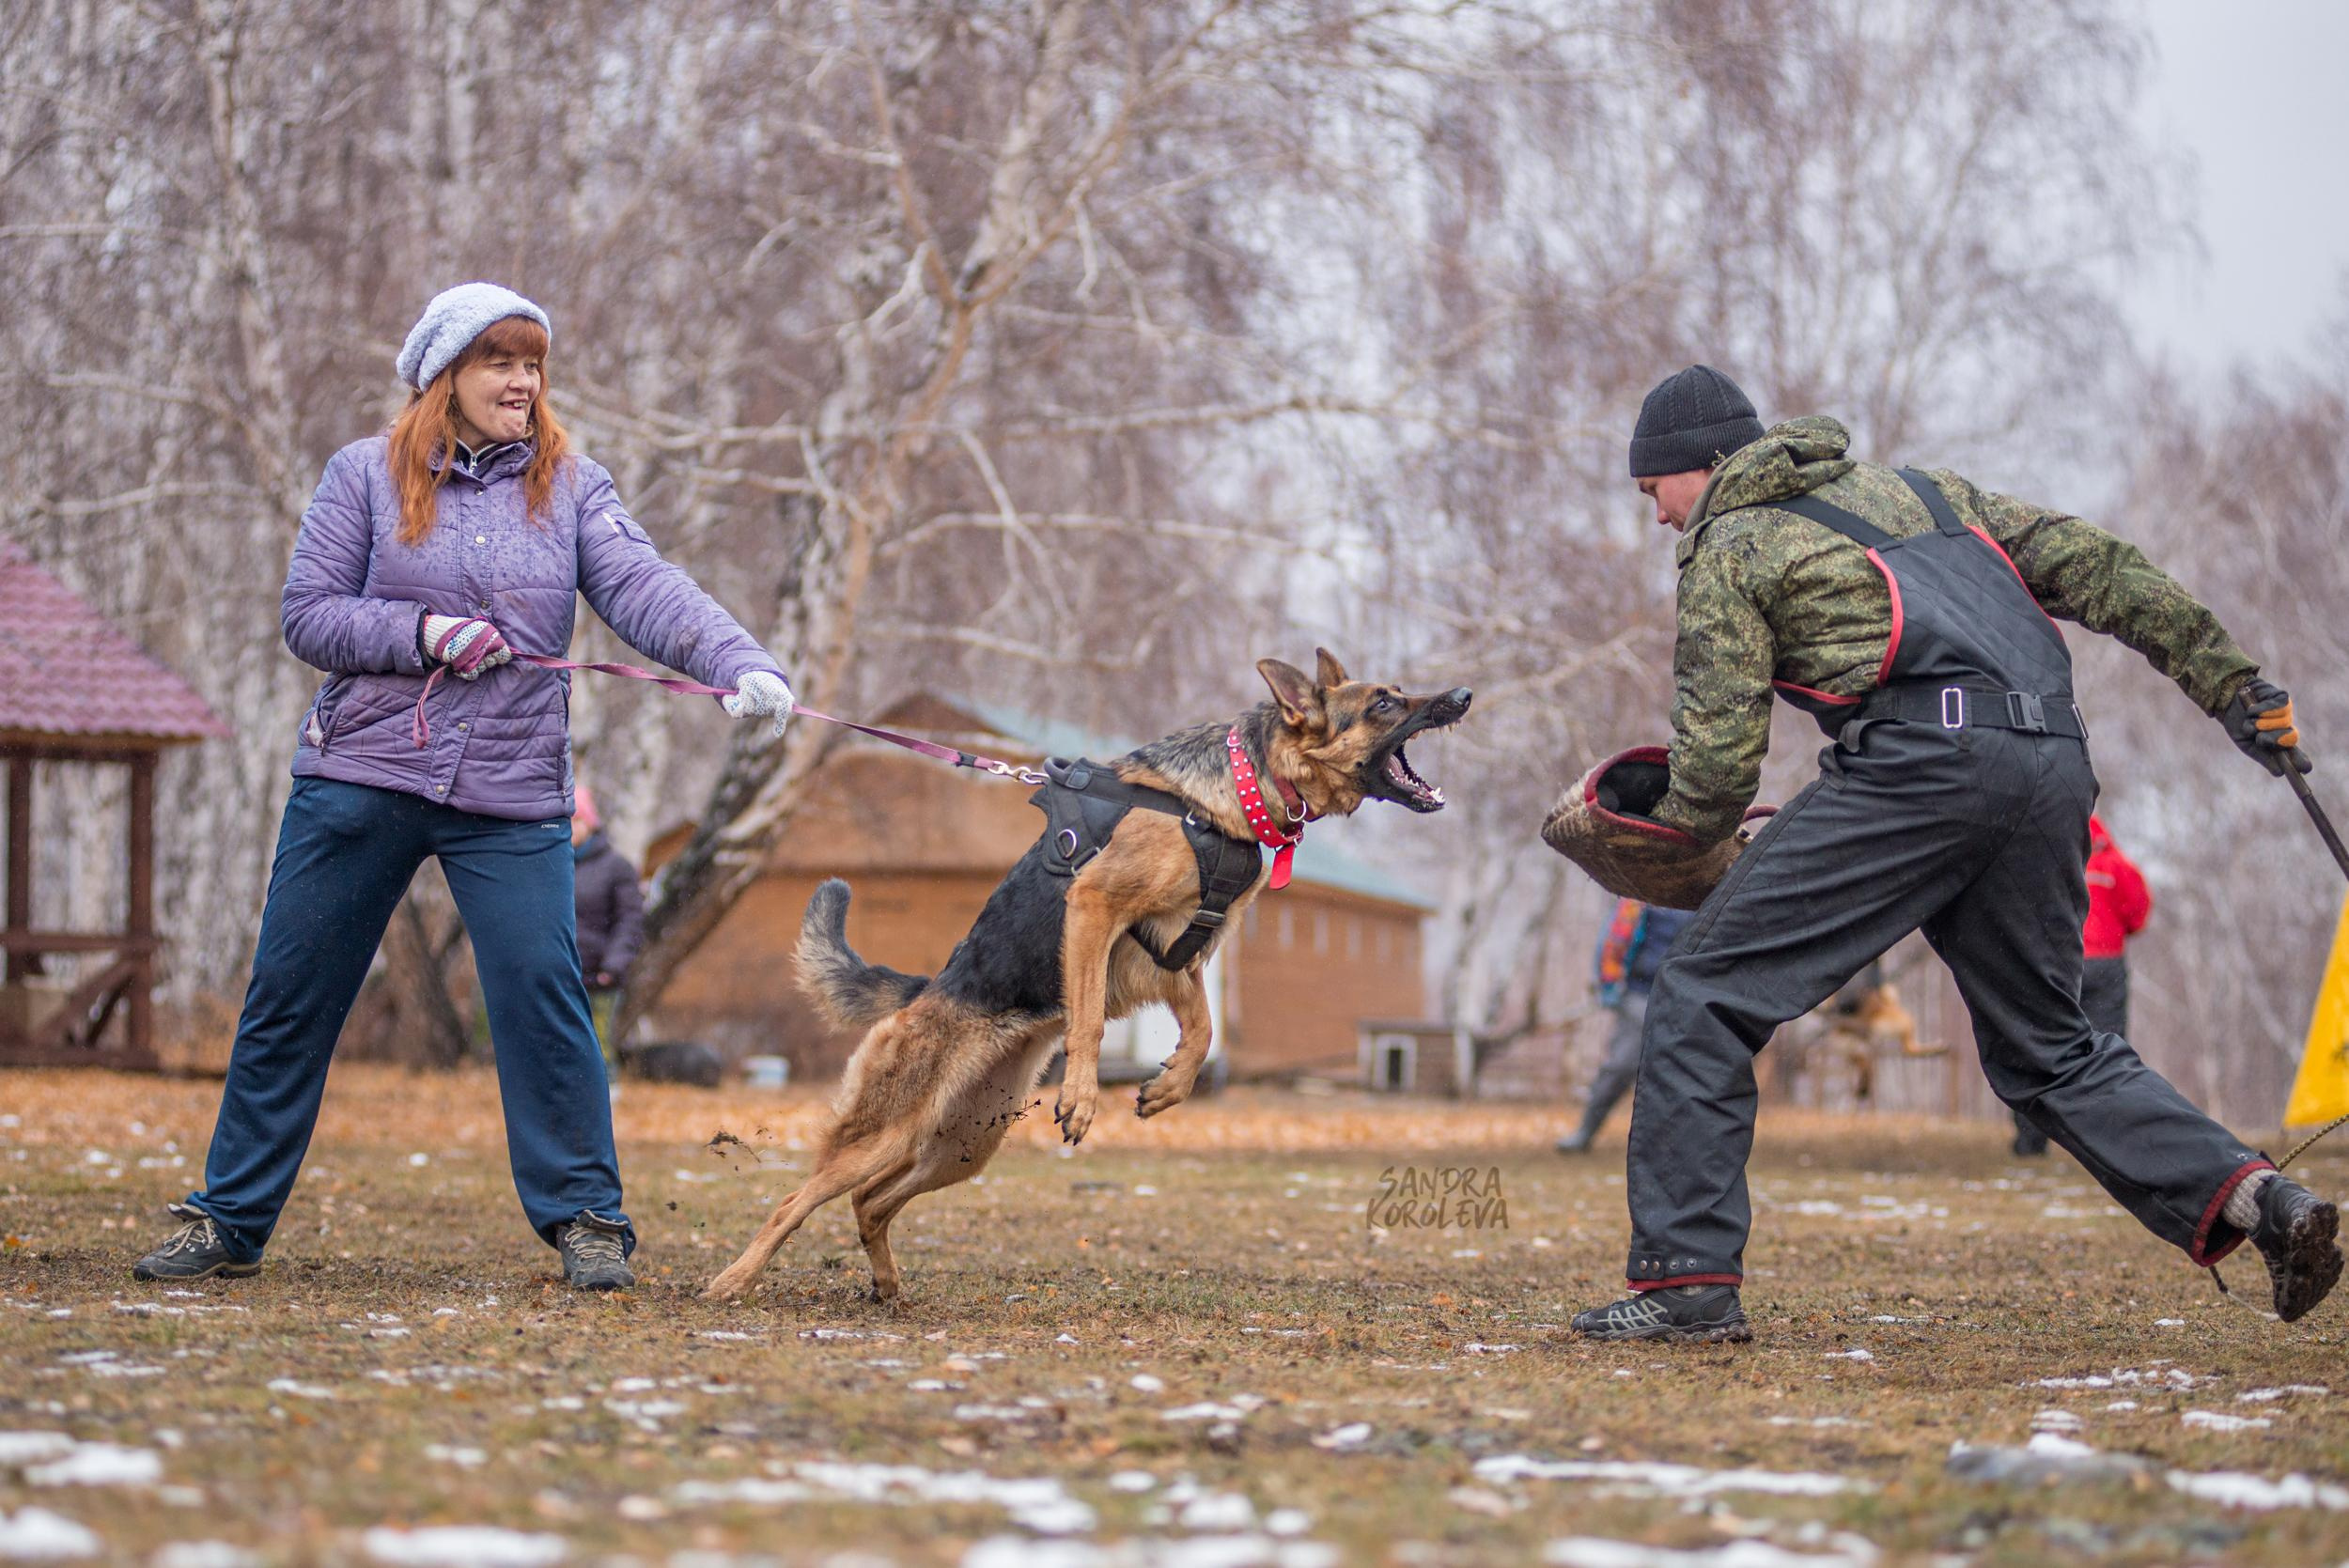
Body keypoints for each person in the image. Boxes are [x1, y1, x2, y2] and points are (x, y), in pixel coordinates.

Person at [1568, 365, 2337, 1343]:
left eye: (1654, 491)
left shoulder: (1730, 541)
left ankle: (1687, 1287)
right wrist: (2232, 686)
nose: (1659, 517)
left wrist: (1663, 833)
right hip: (2052, 763)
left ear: (1705, 464)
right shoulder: (1927, 494)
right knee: (2051, 1049)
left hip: (1921, 764)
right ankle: (2262, 1201)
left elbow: (1718, 769)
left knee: (1700, 991)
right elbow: (2102, 567)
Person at [132, 283, 796, 1291]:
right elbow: (309, 614)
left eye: (532, 364)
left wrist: (736, 661)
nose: (522, 381)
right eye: (499, 361)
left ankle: (586, 1220)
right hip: (363, 774)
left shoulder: (572, 486)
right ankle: (228, 1218)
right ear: (444, 374)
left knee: (544, 998)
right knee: (290, 996)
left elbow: (646, 587)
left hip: (510, 788)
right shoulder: (363, 474)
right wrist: (423, 633)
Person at [2015, 815, 2150, 1156]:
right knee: (2106, 1050)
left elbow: (2025, 909)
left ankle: (2030, 1141)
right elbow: (2137, 915)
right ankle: (2108, 1141)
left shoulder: (2046, 856)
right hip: (2105, 966)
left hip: (2055, 963)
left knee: (2040, 1046)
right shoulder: (2117, 865)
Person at [1558, 898, 1693, 1153]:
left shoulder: (1702, 897)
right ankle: (1586, 1131)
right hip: (1639, 991)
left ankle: (1674, 1143)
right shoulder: (1641, 898)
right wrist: (1609, 985)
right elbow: (1614, 938)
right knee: (1622, 1065)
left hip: (1686, 993)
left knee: (1680, 1069)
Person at [570, 784, 645, 1062]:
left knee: (598, 1047)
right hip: (560, 974)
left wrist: (612, 966)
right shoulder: (552, 865)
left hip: (599, 976)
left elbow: (630, 920)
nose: (570, 828)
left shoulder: (616, 867)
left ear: (589, 823)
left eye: (576, 820)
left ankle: (606, 1088)